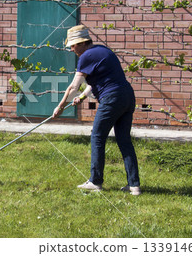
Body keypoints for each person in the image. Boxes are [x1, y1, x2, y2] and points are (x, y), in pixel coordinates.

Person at [52, 25, 141, 195]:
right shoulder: (102, 51)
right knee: (124, 140)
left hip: (112, 98)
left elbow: (72, 87)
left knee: (97, 136)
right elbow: (95, 83)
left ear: (83, 43)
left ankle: (95, 181)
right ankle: (134, 185)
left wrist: (60, 107)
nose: (72, 49)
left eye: (73, 45)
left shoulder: (86, 56)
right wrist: (83, 97)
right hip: (127, 96)